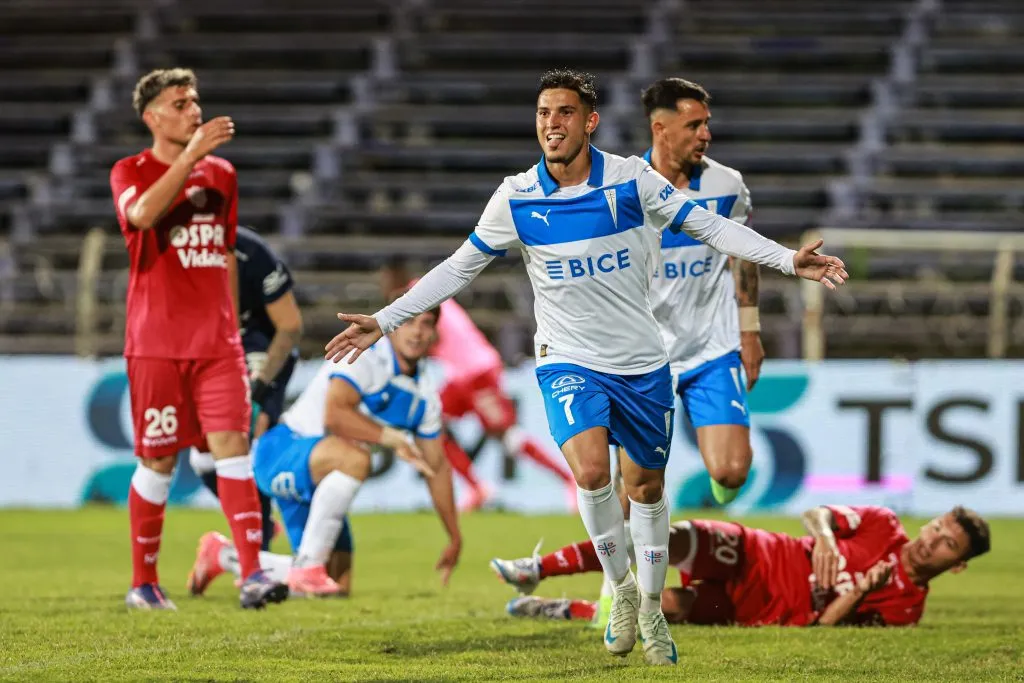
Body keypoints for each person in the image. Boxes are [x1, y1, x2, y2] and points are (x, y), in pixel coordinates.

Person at [326, 68, 847, 665]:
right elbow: (458, 266)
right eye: (544, 113)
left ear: (589, 120)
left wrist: (786, 261)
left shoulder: (630, 181)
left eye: (565, 113)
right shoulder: (517, 196)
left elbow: (708, 224)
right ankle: (622, 589)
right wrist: (385, 320)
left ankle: (651, 607)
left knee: (645, 489)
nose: (552, 124)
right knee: (592, 471)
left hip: (644, 363)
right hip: (568, 360)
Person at [108, 68, 287, 610]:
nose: (193, 110)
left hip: (217, 346)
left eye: (196, 101)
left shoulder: (223, 175)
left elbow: (224, 257)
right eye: (180, 103)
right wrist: (188, 161)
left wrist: (230, 325)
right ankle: (144, 583)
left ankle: (252, 574)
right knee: (159, 463)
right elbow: (141, 216)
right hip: (157, 344)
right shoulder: (129, 171)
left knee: (233, 451)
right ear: (152, 117)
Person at [203, 304, 461, 597]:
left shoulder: (425, 396)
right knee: (356, 458)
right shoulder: (364, 353)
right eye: (409, 321)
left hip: (323, 472)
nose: (417, 331)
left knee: (336, 588)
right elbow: (335, 416)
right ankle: (308, 566)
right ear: (393, 325)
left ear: (435, 334)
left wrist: (454, 537)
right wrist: (393, 438)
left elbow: (436, 467)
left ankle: (223, 555)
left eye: (426, 323)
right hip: (283, 451)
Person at [495, 504, 991, 627]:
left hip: (759, 606)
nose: (932, 542)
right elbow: (818, 513)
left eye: (948, 545)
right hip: (758, 550)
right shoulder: (882, 524)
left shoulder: (907, 609)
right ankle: (538, 567)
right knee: (661, 536)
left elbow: (825, 626)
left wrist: (859, 590)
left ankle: (563, 609)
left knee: (662, 607)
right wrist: (824, 539)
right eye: (938, 528)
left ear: (958, 566)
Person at [642, 78, 762, 506]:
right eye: (694, 125)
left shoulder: (726, 186)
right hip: (646, 355)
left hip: (713, 347)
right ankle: (617, 573)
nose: (706, 135)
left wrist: (749, 333)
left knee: (731, 474)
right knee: (635, 488)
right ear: (661, 129)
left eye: (707, 124)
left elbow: (743, 256)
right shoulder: (624, 190)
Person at [379, 258, 576, 512]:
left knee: (509, 438)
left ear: (397, 278)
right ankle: (477, 488)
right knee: (431, 424)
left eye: (385, 280)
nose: (383, 287)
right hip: (460, 375)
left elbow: (430, 336)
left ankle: (569, 479)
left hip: (477, 372)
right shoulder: (424, 292)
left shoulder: (417, 298)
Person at [187, 225, 304, 563]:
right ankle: (257, 535)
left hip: (261, 348)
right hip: (209, 350)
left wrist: (261, 385)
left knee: (254, 433)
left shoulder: (253, 253)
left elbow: (290, 325)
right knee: (203, 455)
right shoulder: (175, 249)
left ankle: (257, 553)